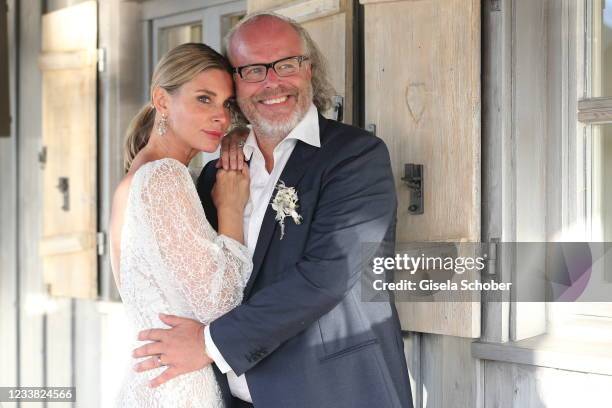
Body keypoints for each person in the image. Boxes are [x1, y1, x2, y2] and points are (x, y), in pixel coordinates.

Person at [134, 13, 414, 408]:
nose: (272, 82)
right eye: (253, 70)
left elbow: (326, 276)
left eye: (286, 64)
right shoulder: (215, 173)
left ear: (309, 70)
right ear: (235, 83)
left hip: (334, 393)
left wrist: (209, 343)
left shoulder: (355, 156)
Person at [108, 42, 252, 407]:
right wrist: (232, 208)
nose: (220, 117)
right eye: (204, 99)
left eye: (227, 104)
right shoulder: (165, 177)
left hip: (154, 382)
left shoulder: (134, 180)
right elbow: (223, 305)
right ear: (162, 101)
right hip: (184, 387)